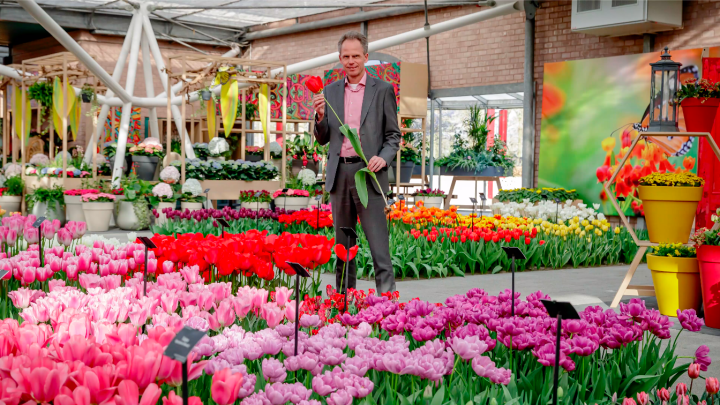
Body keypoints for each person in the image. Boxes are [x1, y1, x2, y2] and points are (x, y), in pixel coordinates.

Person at [312, 31, 400, 294]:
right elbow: (323, 138)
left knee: (379, 249)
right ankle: (343, 303)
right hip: (339, 176)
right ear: (340, 58)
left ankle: (388, 304)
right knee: (343, 248)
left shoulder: (383, 90)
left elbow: (393, 136)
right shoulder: (329, 91)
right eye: (346, 56)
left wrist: (382, 159)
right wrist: (319, 116)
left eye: (356, 56)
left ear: (366, 57)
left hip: (369, 177)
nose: (351, 61)